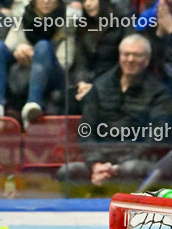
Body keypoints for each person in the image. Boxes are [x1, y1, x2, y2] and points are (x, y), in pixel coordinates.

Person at [59, 34, 172, 188]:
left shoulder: (159, 93)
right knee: (67, 171)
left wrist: (116, 167)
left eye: (137, 55)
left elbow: (156, 139)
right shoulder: (100, 86)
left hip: (136, 161)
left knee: (130, 169)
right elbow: (85, 132)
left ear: (147, 60)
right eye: (126, 54)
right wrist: (96, 164)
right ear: (119, 56)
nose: (130, 59)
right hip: (99, 160)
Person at [0, 0, 77, 128]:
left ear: (58, 0)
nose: (46, 1)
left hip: (54, 74)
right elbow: (10, 45)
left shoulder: (68, 21)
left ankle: (32, 105)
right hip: (23, 70)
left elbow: (65, 62)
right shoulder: (23, 15)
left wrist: (38, 54)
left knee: (43, 46)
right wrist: (19, 48)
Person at [69, 0, 125, 112]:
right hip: (89, 81)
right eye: (84, 0)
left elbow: (123, 63)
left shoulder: (121, 23)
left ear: (103, 0)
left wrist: (96, 87)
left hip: (113, 82)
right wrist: (82, 82)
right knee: (64, 99)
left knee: (89, 101)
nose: (87, 4)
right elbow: (80, 60)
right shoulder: (83, 25)